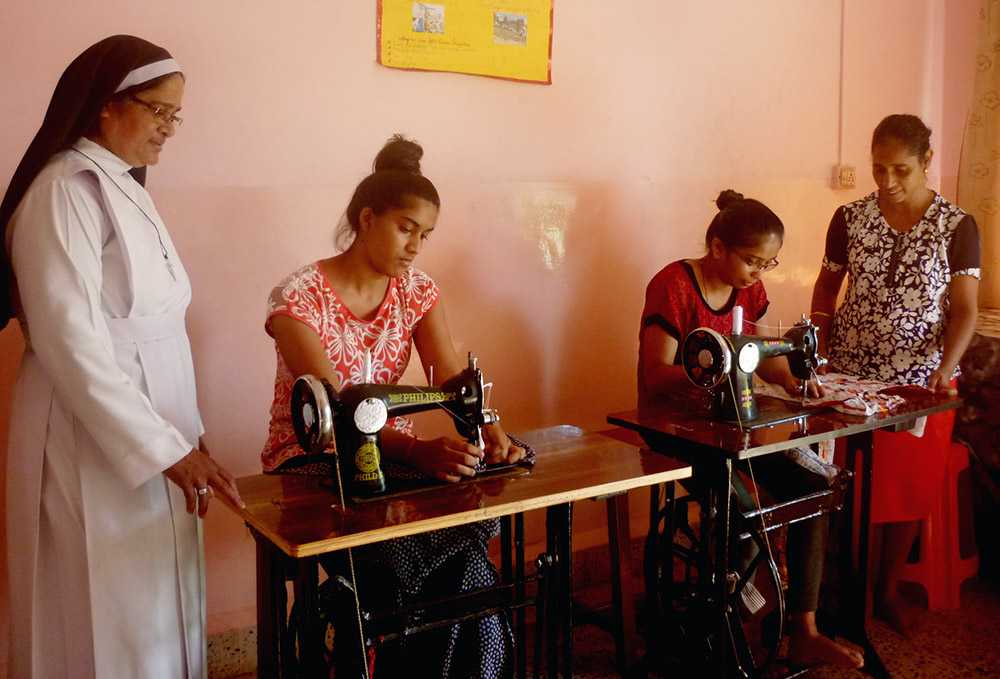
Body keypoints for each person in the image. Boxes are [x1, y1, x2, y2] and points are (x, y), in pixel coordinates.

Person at [1, 35, 243, 678]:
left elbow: (156, 331)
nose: (170, 130)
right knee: (98, 605)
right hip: (86, 434)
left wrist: (185, 433)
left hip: (154, 427)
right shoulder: (65, 190)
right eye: (158, 112)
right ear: (107, 106)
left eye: (176, 115)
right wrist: (162, 447)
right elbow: (67, 339)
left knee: (154, 605)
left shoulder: (125, 186)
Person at [261, 134, 525, 677]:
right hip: (308, 465)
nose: (414, 247)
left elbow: (450, 378)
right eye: (406, 229)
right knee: (441, 556)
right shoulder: (297, 297)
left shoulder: (417, 292)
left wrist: (489, 426)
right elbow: (335, 411)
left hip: (389, 463)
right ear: (366, 218)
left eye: (424, 236)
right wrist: (416, 450)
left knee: (466, 563)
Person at [638, 189, 865, 669]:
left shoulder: (749, 291)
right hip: (676, 429)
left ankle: (803, 630)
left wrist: (803, 385)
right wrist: (713, 367)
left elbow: (762, 361)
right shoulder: (673, 285)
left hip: (735, 425)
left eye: (769, 263)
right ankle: (721, 619)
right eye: (753, 261)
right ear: (718, 247)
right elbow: (653, 374)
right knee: (749, 505)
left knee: (815, 490)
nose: (760, 274)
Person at [810, 114, 980, 635]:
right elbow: (825, 292)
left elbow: (965, 310)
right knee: (850, 485)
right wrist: (816, 355)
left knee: (908, 487)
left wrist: (944, 370)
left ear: (927, 162)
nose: (886, 182)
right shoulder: (849, 217)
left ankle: (884, 592)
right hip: (851, 376)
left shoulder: (958, 226)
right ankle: (850, 591)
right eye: (878, 168)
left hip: (921, 382)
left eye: (900, 169)